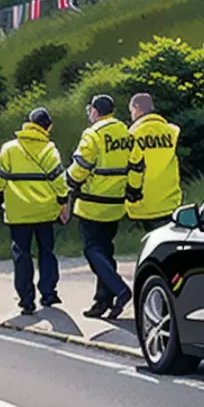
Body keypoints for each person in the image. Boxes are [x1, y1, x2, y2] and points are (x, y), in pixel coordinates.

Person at [0, 107, 71, 315]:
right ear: (47, 127)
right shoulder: (49, 149)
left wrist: (0, 192)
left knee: (21, 254)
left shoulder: (10, 148)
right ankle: (49, 293)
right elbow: (59, 180)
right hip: (45, 211)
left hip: (18, 212)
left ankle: (26, 300)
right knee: (47, 251)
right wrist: (62, 200)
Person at [66, 94, 132, 320]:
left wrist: (69, 181)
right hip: (116, 202)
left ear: (95, 111)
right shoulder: (125, 131)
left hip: (93, 202)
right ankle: (102, 301)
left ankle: (120, 289)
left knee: (92, 249)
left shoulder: (93, 134)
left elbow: (81, 167)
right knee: (106, 251)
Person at [126, 92, 183, 233]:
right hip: (170, 200)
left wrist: (130, 194)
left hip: (144, 202)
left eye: (131, 111)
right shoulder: (172, 131)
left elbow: (132, 167)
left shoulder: (132, 135)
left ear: (137, 107)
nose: (131, 115)